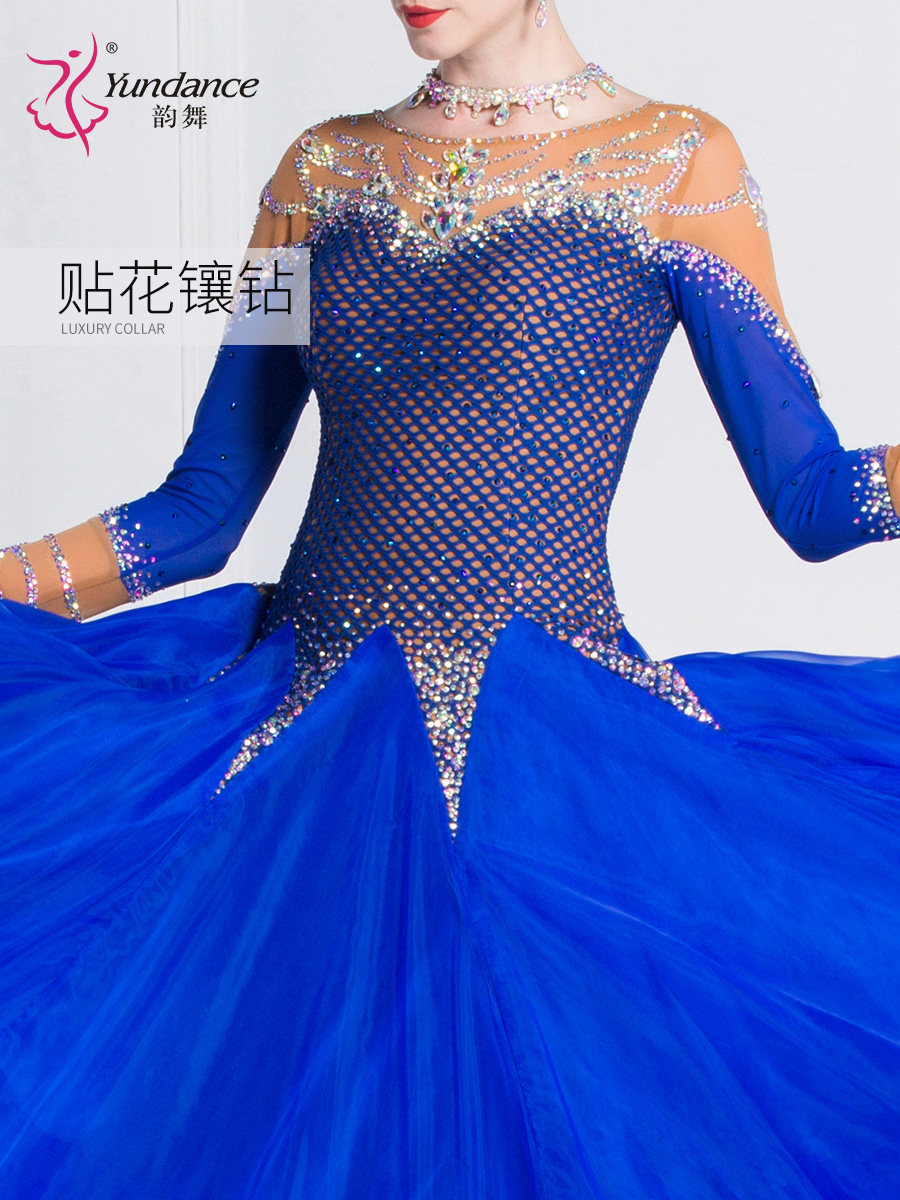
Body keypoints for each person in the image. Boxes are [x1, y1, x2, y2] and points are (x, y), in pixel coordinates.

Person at [1, 1, 899, 1196]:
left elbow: (812, 496)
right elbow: (200, 510)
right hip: (291, 755)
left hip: (536, 764)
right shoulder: (318, 171)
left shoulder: (679, 161)